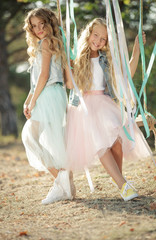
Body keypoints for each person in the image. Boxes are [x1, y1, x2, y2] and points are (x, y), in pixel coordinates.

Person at [66, 18, 153, 201]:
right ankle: (123, 185)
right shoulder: (77, 58)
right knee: (100, 143)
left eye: (103, 38)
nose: (98, 40)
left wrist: (137, 49)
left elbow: (127, 72)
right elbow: (69, 84)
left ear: (107, 42)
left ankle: (119, 180)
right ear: (88, 34)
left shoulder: (106, 59)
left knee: (117, 141)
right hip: (86, 107)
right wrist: (66, 63)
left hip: (105, 103)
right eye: (95, 35)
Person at [22, 7, 75, 205]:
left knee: (30, 137)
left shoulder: (46, 43)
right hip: (52, 93)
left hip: (48, 93)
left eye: (41, 24)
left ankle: (61, 180)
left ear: (48, 23)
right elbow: (37, 79)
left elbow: (44, 76)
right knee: (52, 140)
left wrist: (34, 100)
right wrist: (28, 100)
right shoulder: (51, 43)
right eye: (34, 26)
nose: (38, 29)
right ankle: (67, 185)